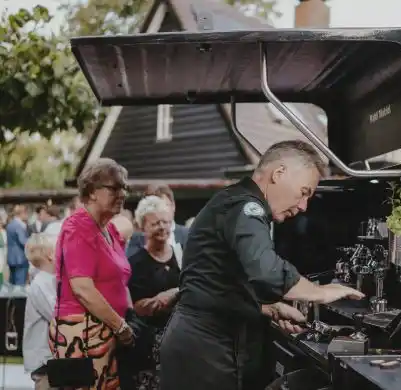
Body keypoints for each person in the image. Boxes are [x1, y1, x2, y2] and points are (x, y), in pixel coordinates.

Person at [160, 140, 365, 390]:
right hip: (203, 348)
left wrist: (267, 307)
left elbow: (219, 280)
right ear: (279, 174)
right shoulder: (245, 207)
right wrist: (320, 292)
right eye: (304, 192)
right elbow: (266, 271)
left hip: (202, 341)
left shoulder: (236, 202)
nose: (303, 206)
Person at [48, 158, 134, 390]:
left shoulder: (108, 230)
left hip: (104, 332)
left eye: (125, 187)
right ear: (92, 192)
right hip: (82, 333)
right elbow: (82, 289)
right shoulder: (78, 228)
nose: (122, 193)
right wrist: (121, 326)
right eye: (115, 187)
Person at [127, 196, 181, 389]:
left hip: (181, 341)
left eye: (166, 222)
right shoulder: (136, 263)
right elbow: (138, 308)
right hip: (149, 346)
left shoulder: (181, 255)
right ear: (142, 227)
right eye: (155, 223)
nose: (162, 227)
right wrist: (166, 298)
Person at [22, 233, 56, 390]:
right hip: (43, 359)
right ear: (50, 254)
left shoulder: (48, 280)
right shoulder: (41, 284)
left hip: (48, 358)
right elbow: (55, 314)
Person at [126, 184, 188, 258]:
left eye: (164, 206)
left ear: (173, 206)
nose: (159, 213)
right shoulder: (137, 238)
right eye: (154, 207)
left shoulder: (188, 235)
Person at [6, 205, 30, 286]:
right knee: (20, 286)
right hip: (20, 259)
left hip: (11, 258)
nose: (27, 216)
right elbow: (23, 241)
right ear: (22, 214)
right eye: (27, 214)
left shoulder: (10, 224)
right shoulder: (19, 225)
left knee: (12, 284)